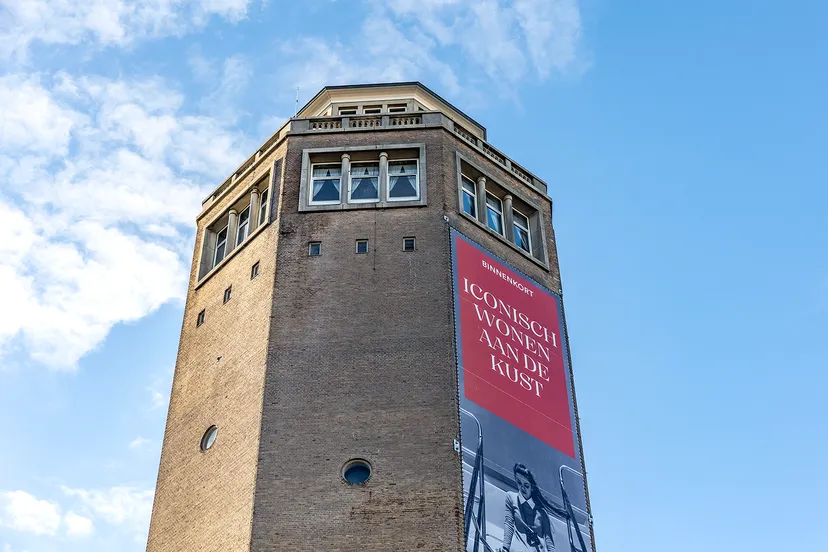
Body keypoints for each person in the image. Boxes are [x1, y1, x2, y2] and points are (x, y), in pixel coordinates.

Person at [499, 464, 561, 552]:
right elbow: (509, 523)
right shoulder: (511, 498)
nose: (522, 488)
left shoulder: (542, 513)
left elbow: (550, 544)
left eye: (526, 485)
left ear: (532, 488)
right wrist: (505, 548)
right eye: (519, 483)